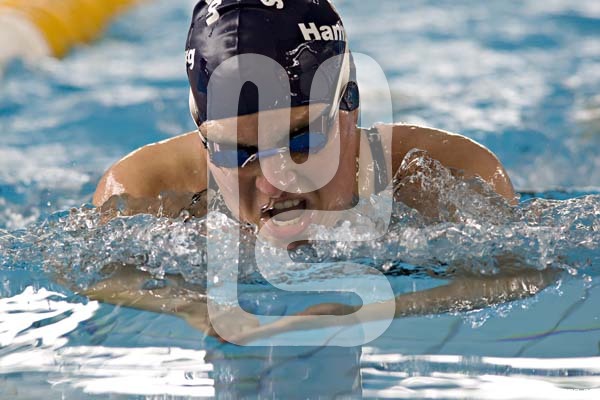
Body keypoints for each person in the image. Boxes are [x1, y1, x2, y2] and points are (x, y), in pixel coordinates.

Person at [86, 0, 557, 343]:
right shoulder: (146, 193)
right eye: (235, 151)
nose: (274, 181)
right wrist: (192, 307)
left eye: (301, 140)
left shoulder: (442, 178)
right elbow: (94, 275)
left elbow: (525, 274)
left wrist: (372, 311)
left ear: (350, 106)